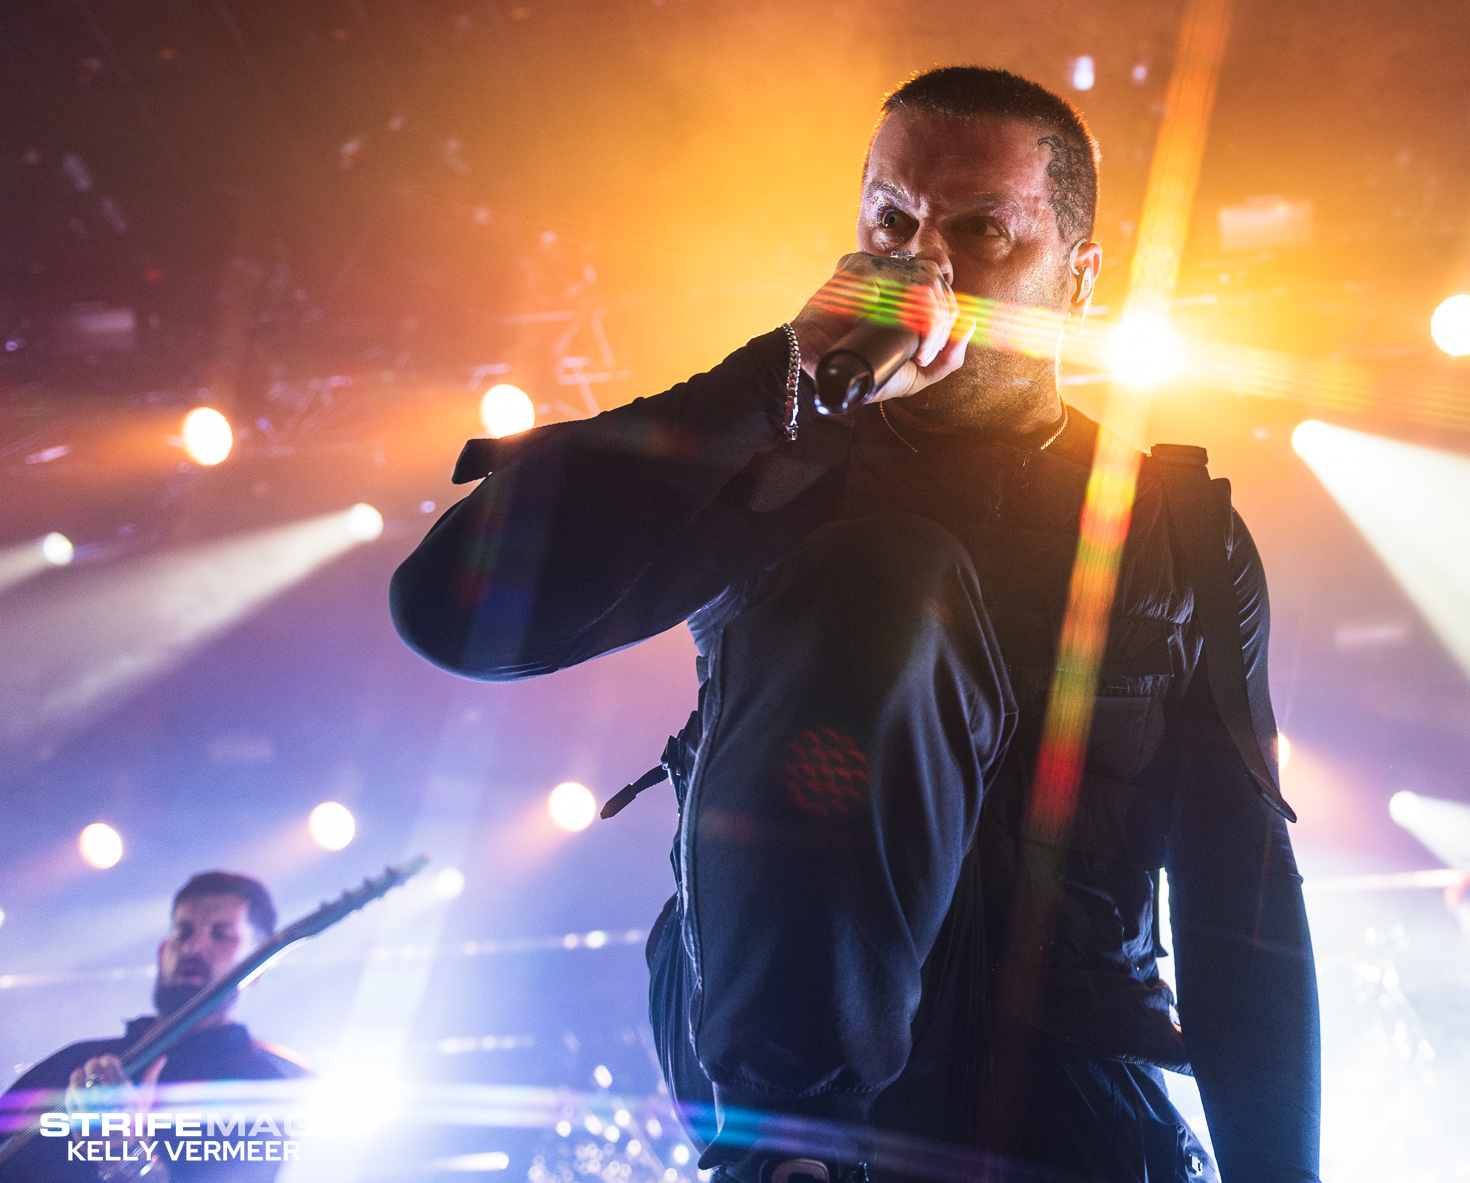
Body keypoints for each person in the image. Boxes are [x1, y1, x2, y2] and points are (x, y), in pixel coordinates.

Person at [390, 67, 1319, 1183]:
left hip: (1076, 1107)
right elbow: (451, 614)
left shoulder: (1174, 530)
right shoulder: (763, 464)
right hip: (804, 1123)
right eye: (892, 219)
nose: (924, 263)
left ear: (1078, 277)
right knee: (890, 571)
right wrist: (764, 379)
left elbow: (1240, 897)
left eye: (982, 229)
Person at [1, 872, 309, 1183]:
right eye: (183, 932)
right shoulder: (75, 1060)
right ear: (163, 952)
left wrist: (124, 1154)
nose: (193, 947)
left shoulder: (260, 1093)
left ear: (259, 966)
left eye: (221, 934)